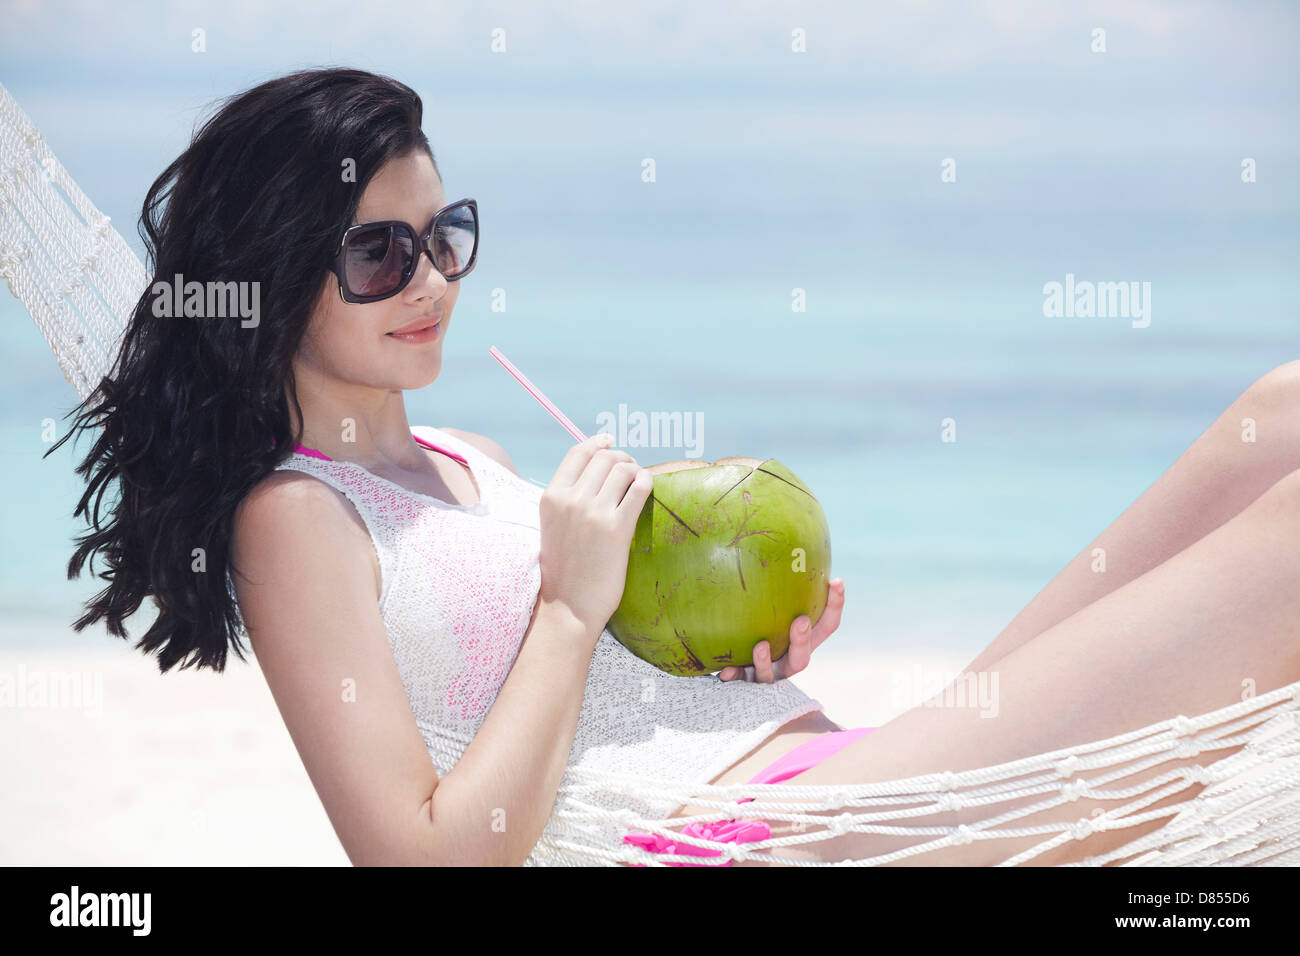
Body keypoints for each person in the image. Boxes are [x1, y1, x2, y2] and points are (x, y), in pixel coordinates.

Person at [50, 66, 1300, 867]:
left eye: (447, 235)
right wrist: (569, 601)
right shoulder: (293, 519)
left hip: (843, 770)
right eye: (379, 254)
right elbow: (421, 858)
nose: (432, 281)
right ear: (275, 275)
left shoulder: (466, 455)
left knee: (1280, 417)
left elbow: (602, 694)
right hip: (775, 841)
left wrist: (730, 649)